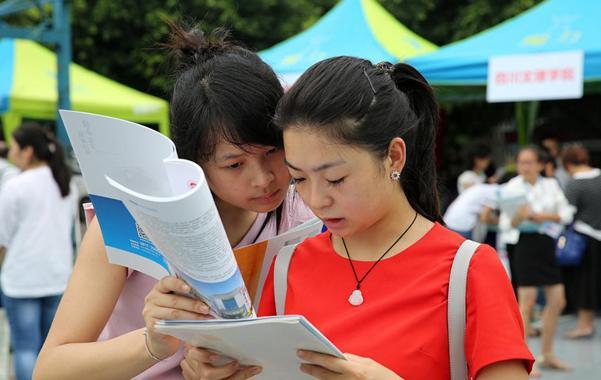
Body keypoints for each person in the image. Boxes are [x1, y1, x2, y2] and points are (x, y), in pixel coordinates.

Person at [181, 58, 534, 379]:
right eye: (299, 179)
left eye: (336, 179)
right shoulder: (288, 264)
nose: (317, 200)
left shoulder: (469, 269)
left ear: (394, 157)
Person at [34, 24, 313, 379]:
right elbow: (51, 369)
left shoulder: (305, 208)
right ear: (194, 162)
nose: (263, 178)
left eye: (273, 151)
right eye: (234, 164)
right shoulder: (128, 216)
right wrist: (153, 342)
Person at [0, 123, 75, 380]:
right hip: (56, 275)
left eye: (14, 147)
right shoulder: (65, 184)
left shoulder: (16, 186)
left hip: (22, 277)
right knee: (49, 350)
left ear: (28, 151)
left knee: (25, 348)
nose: (10, 152)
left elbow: (2, 237)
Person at [498, 145, 574, 372]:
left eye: (530, 162)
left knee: (558, 300)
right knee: (527, 302)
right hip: (524, 244)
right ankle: (524, 361)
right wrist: (520, 217)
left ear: (540, 164)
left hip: (546, 243)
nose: (526, 166)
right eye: (522, 162)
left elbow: (566, 212)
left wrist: (543, 216)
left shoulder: (550, 184)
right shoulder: (511, 188)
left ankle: (547, 353)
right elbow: (506, 224)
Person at [561, 144, 601, 339]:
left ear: (568, 163)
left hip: (584, 237)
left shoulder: (574, 183)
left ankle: (585, 324)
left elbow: (566, 215)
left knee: (585, 281)